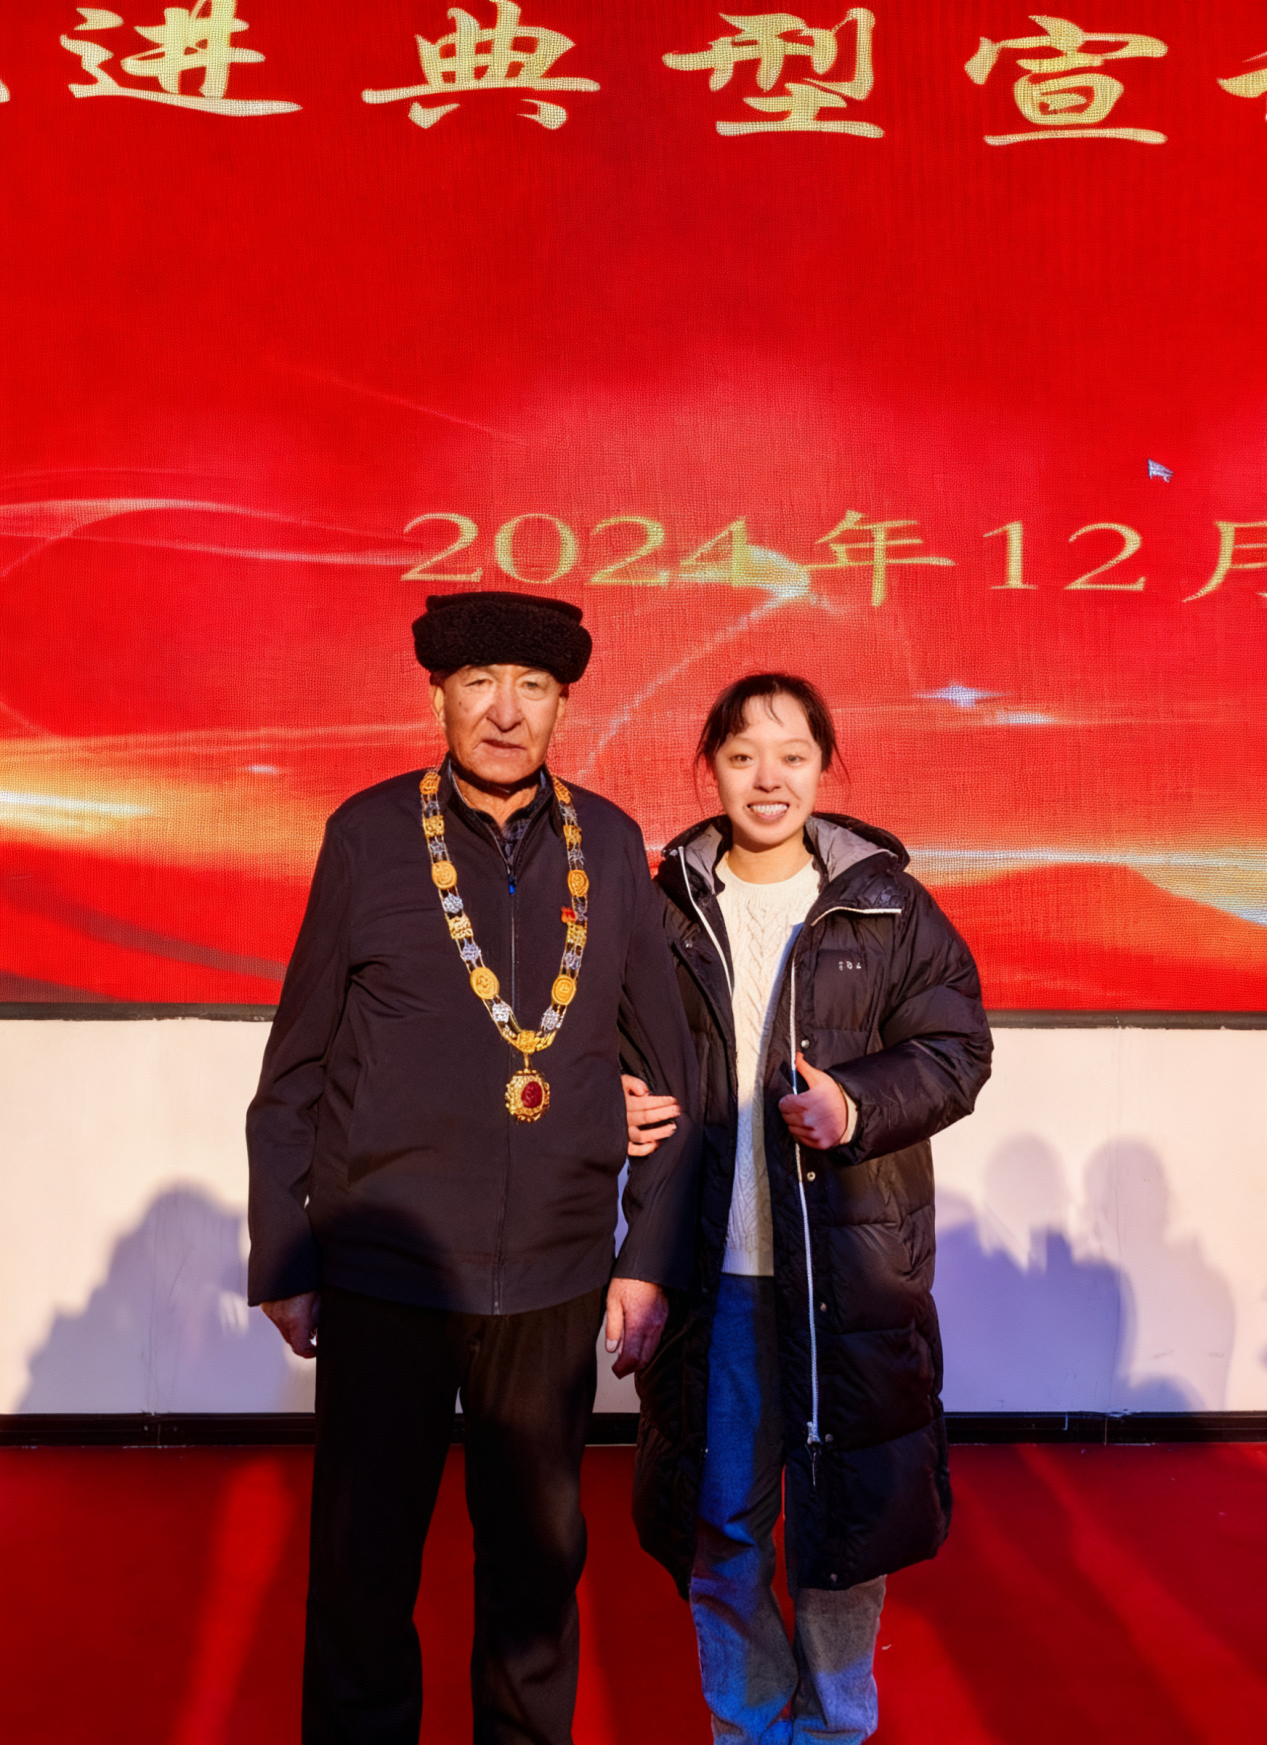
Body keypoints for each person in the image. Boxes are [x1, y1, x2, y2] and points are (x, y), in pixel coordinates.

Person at [246, 590, 699, 1745]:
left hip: (553, 1270)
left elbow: (672, 1075)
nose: (505, 710)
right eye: (480, 683)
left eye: (532, 687)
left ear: (561, 705)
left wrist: (645, 1257)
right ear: (439, 695)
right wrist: (285, 1252)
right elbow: (294, 1067)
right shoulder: (366, 834)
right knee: (361, 1572)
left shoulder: (610, 843)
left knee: (535, 1576)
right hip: (384, 1266)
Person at [623, 672, 992, 1744]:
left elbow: (955, 1049)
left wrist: (855, 1103)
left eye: (791, 754)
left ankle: (834, 1728)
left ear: (824, 764)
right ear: (711, 767)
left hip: (847, 1277)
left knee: (840, 1531)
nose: (767, 777)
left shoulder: (887, 902)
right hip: (716, 1281)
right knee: (721, 1526)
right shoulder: (662, 905)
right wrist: (606, 1094)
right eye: (742, 755)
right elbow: (596, 1038)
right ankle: (747, 1724)